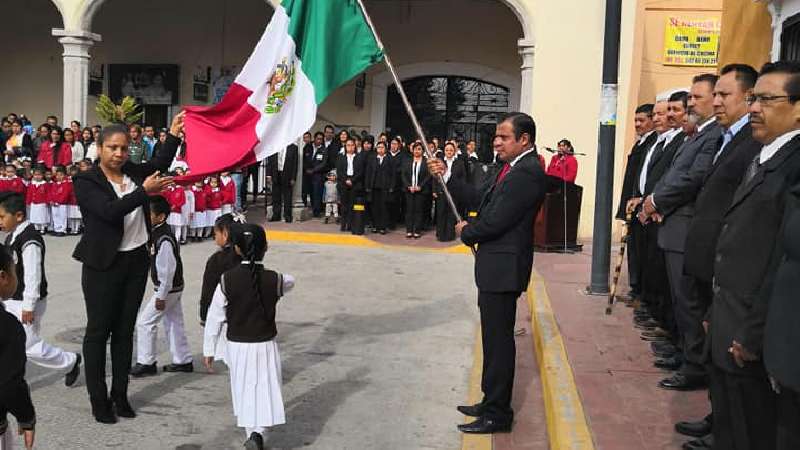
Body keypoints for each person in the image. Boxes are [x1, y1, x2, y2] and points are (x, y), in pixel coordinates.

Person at [428, 112, 547, 434]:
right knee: (492, 340)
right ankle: (489, 399)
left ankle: (497, 413)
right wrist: (448, 176)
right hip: (495, 265)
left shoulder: (528, 172)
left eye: (504, 137)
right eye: (496, 136)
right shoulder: (509, 168)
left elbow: (498, 219)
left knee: (498, 341)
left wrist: (469, 231)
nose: (496, 142)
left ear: (524, 139)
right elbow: (480, 198)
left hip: (505, 267)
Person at [705, 61, 800, 450]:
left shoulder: (793, 165)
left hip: (751, 330)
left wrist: (752, 332)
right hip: (729, 315)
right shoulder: (762, 154)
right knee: (729, 424)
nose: (755, 108)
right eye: (754, 98)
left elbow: (782, 259)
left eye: (767, 99)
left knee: (751, 430)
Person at [72, 112, 182, 424]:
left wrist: (173, 134)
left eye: (123, 148)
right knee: (98, 332)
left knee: (124, 332)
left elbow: (157, 164)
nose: (119, 154)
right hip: (102, 265)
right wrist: (142, 193)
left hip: (134, 262)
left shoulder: (132, 172)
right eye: (112, 148)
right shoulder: (86, 180)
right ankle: (98, 400)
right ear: (99, 148)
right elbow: (108, 212)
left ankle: (120, 396)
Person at [674, 64, 761, 448]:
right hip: (711, 256)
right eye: (717, 94)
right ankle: (716, 419)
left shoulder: (751, 143)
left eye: (725, 94)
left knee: (727, 355)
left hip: (727, 263)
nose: (716, 101)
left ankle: (723, 429)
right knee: (715, 350)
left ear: (748, 97)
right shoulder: (728, 137)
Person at [640, 74, 722, 391]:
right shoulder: (696, 135)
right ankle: (685, 353)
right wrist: (653, 201)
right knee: (680, 299)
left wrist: (656, 201)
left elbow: (694, 178)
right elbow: (674, 174)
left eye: (697, 98)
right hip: (672, 223)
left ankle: (694, 366)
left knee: (689, 302)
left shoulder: (712, 135)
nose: (691, 104)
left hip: (685, 227)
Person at [203, 223, 295, 450]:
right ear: (266, 247)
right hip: (265, 345)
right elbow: (290, 281)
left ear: (236, 249)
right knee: (265, 388)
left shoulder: (227, 280)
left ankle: (252, 434)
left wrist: (209, 349)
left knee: (243, 389)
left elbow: (214, 317)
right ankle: (258, 434)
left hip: (237, 346)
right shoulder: (275, 280)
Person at [0, 192, 82, 386]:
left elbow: (32, 275)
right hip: (11, 298)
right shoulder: (12, 236)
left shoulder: (30, 240)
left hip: (26, 301)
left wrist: (29, 305)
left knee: (28, 345)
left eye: (2, 217)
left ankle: (70, 361)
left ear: (18, 216)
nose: (0, 222)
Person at [130, 195, 193, 377]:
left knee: (145, 322)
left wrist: (161, 296)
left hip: (168, 289)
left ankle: (146, 361)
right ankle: (183, 359)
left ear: (161, 216)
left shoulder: (163, 238)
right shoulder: (156, 233)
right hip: (173, 287)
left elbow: (167, 269)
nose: (146, 217)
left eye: (150, 214)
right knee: (174, 322)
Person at [616, 104, 656, 304]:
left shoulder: (653, 142)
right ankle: (635, 288)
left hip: (643, 204)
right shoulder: (640, 143)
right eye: (635, 120)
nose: (637, 124)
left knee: (642, 253)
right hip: (632, 202)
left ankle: (640, 291)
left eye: (642, 120)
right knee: (634, 249)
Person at [0, 245, 36, 450]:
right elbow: (9, 385)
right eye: (15, 271)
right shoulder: (8, 327)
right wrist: (26, 417)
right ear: (3, 277)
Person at [199, 214, 242, 326]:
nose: (215, 236)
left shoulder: (216, 260)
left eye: (216, 233)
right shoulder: (248, 256)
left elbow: (208, 290)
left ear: (225, 234)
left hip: (221, 316)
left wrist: (204, 315)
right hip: (244, 316)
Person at [434, 142, 466, 242]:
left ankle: (449, 235)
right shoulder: (439, 162)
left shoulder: (459, 163)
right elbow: (434, 177)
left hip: (454, 192)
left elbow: (463, 178)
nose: (449, 152)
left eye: (451, 150)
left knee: (451, 213)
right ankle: (440, 234)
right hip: (441, 191)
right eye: (447, 150)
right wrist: (434, 190)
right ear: (444, 151)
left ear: (454, 151)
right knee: (441, 212)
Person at [401, 143, 430, 239]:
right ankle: (409, 230)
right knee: (409, 210)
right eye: (415, 149)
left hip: (421, 190)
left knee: (419, 211)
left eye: (419, 149)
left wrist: (420, 186)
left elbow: (428, 176)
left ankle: (417, 230)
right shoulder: (407, 161)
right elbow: (403, 175)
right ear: (412, 150)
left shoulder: (426, 162)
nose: (417, 151)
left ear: (422, 151)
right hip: (409, 190)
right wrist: (409, 186)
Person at [365, 141, 394, 234]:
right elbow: (368, 173)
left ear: (385, 149)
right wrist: (367, 186)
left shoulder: (390, 159)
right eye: (378, 147)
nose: (380, 149)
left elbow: (393, 175)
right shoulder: (372, 158)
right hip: (374, 187)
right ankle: (375, 226)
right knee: (374, 207)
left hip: (385, 187)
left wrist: (392, 186)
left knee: (384, 207)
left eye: (382, 147)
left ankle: (383, 227)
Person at [268, 143, 298, 223]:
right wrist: (269, 174)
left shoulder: (293, 147)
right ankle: (276, 215)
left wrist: (293, 178)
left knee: (287, 196)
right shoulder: (274, 146)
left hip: (287, 174)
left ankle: (287, 216)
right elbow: (270, 161)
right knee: (276, 196)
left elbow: (295, 164)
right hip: (275, 173)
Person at [336, 138, 362, 232]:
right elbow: (339, 171)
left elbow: (360, 171)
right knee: (344, 205)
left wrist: (352, 180)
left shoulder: (359, 157)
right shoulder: (341, 157)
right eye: (348, 145)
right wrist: (345, 180)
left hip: (354, 182)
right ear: (345, 147)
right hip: (343, 182)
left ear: (355, 146)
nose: (350, 147)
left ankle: (350, 225)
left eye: (352, 145)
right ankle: (343, 224)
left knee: (352, 205)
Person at [48, 166, 72, 237]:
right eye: (57, 175)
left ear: (64, 175)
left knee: (62, 216)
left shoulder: (66, 184)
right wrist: (51, 200)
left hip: (62, 204)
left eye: (61, 175)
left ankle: (62, 230)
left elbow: (65, 194)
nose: (59, 177)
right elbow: (51, 193)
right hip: (54, 203)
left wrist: (59, 201)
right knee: (55, 215)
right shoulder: (54, 184)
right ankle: (57, 229)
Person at [24, 167, 49, 234]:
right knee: (34, 216)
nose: (37, 176)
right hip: (33, 203)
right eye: (35, 175)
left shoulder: (45, 184)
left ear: (42, 175)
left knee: (42, 215)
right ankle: (36, 228)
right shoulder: (32, 184)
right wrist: (28, 201)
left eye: (39, 175)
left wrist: (47, 201)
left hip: (42, 203)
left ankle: (42, 228)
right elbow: (29, 193)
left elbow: (48, 193)